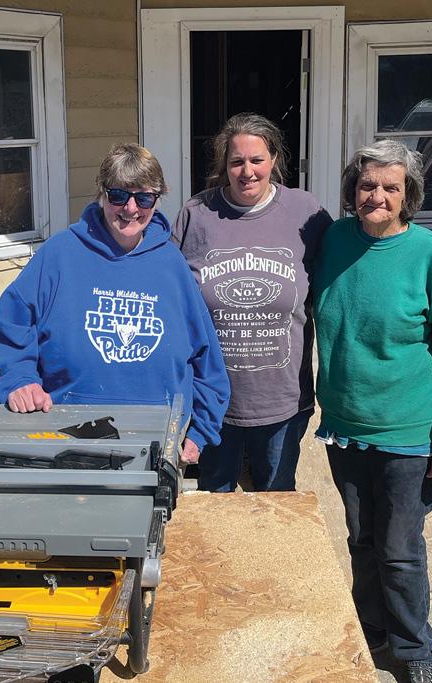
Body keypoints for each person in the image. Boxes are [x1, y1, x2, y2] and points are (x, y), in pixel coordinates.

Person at [313, 139, 432, 683]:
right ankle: (372, 633)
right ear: (352, 190)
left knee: (399, 550)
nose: (377, 196)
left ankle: (415, 653)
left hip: (408, 434)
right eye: (367, 185)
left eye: (391, 187)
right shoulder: (335, 241)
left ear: (408, 195)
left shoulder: (429, 252)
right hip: (345, 429)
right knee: (361, 541)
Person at [0, 143, 230, 463]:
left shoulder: (171, 264)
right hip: (69, 435)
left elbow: (206, 356)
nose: (131, 208)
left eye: (144, 198)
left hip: (159, 440)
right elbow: (12, 321)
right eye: (119, 195)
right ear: (102, 193)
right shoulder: (59, 254)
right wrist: (20, 379)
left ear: (157, 200)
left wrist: (200, 431)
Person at [173, 113, 332, 492]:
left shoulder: (305, 211)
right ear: (224, 165)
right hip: (213, 402)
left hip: (281, 400)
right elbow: (170, 292)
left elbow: (335, 279)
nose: (247, 172)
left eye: (257, 160)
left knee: (275, 504)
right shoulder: (197, 215)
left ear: (274, 159)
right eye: (237, 162)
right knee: (216, 503)